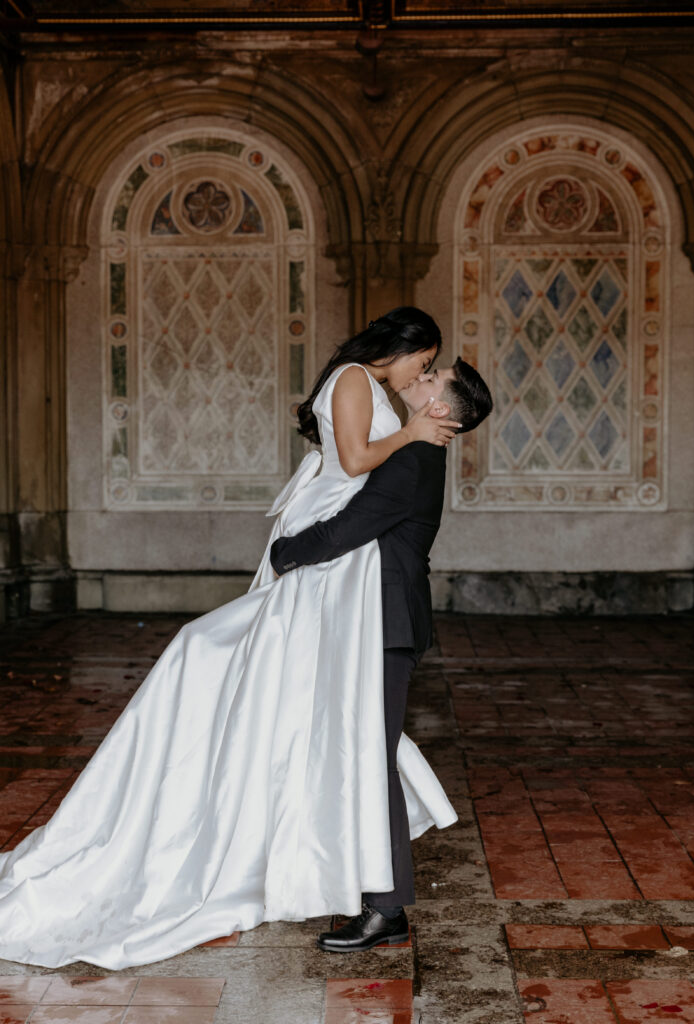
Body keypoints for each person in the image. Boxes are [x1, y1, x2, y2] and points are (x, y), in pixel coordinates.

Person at [0, 307, 462, 970]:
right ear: (407, 346)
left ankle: (370, 899)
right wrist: (299, 547)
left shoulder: (406, 433)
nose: (425, 373)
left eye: (434, 374)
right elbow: (357, 465)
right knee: (304, 718)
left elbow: (362, 495)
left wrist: (299, 547)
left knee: (346, 741)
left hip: (358, 593)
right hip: (341, 586)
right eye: (428, 360)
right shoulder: (363, 384)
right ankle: (331, 881)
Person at [270, 356, 493, 951]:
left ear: (439, 409)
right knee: (369, 753)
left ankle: (387, 910)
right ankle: (372, 895)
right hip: (381, 620)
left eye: (428, 378)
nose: (416, 380)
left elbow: (349, 528)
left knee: (372, 758)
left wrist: (282, 552)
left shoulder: (416, 458)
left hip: (387, 623)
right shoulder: (414, 449)